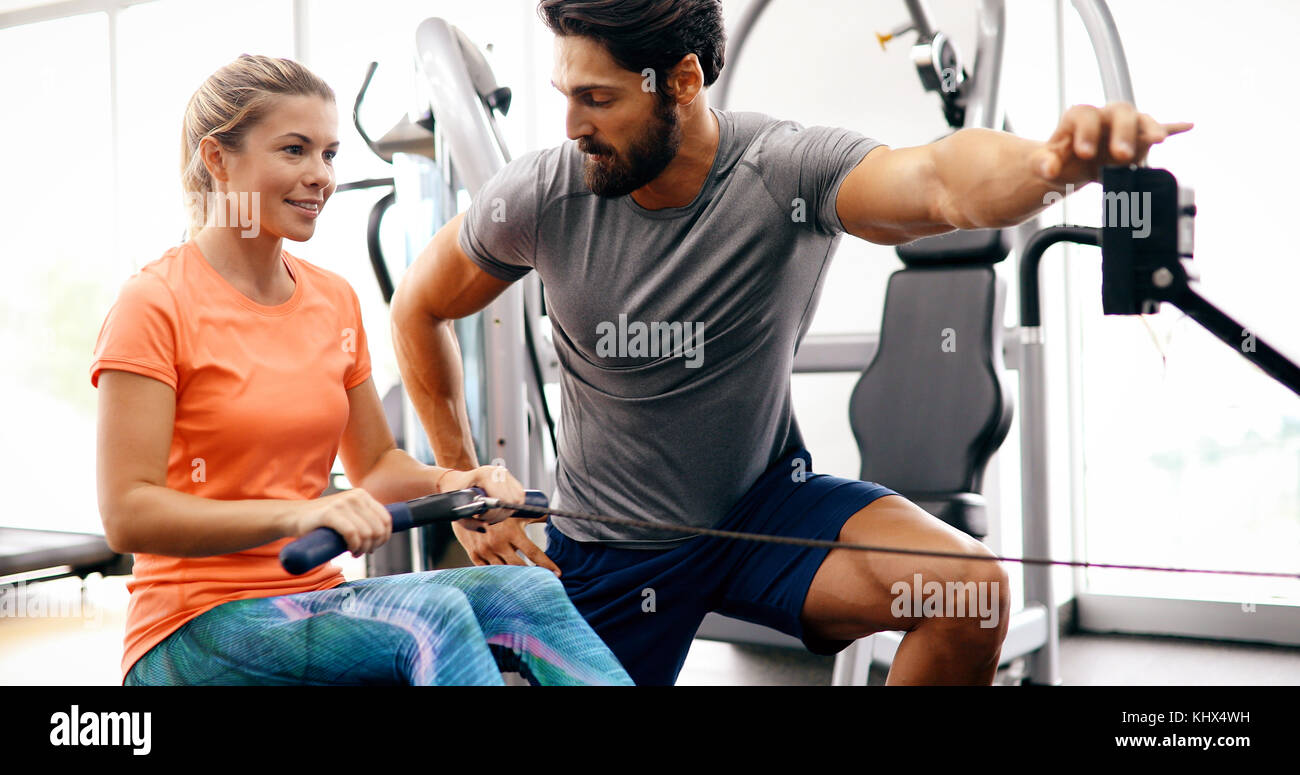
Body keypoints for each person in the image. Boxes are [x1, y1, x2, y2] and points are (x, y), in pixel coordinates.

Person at [391, 0, 1192, 686]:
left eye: (595, 99)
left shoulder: (781, 172)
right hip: (610, 544)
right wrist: (459, 480)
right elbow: (418, 308)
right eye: (565, 95)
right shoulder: (545, 190)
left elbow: (938, 180)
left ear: (682, 81)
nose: (572, 127)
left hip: (762, 513)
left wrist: (1052, 164)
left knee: (966, 592)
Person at [92, 53, 632, 686]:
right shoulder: (155, 302)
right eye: (294, 150)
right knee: (430, 616)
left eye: (329, 154)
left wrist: (460, 480)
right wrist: (300, 514)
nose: (320, 176)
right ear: (218, 159)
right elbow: (127, 512)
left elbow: (375, 466)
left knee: (525, 594)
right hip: (192, 626)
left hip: (309, 597)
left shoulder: (332, 299)